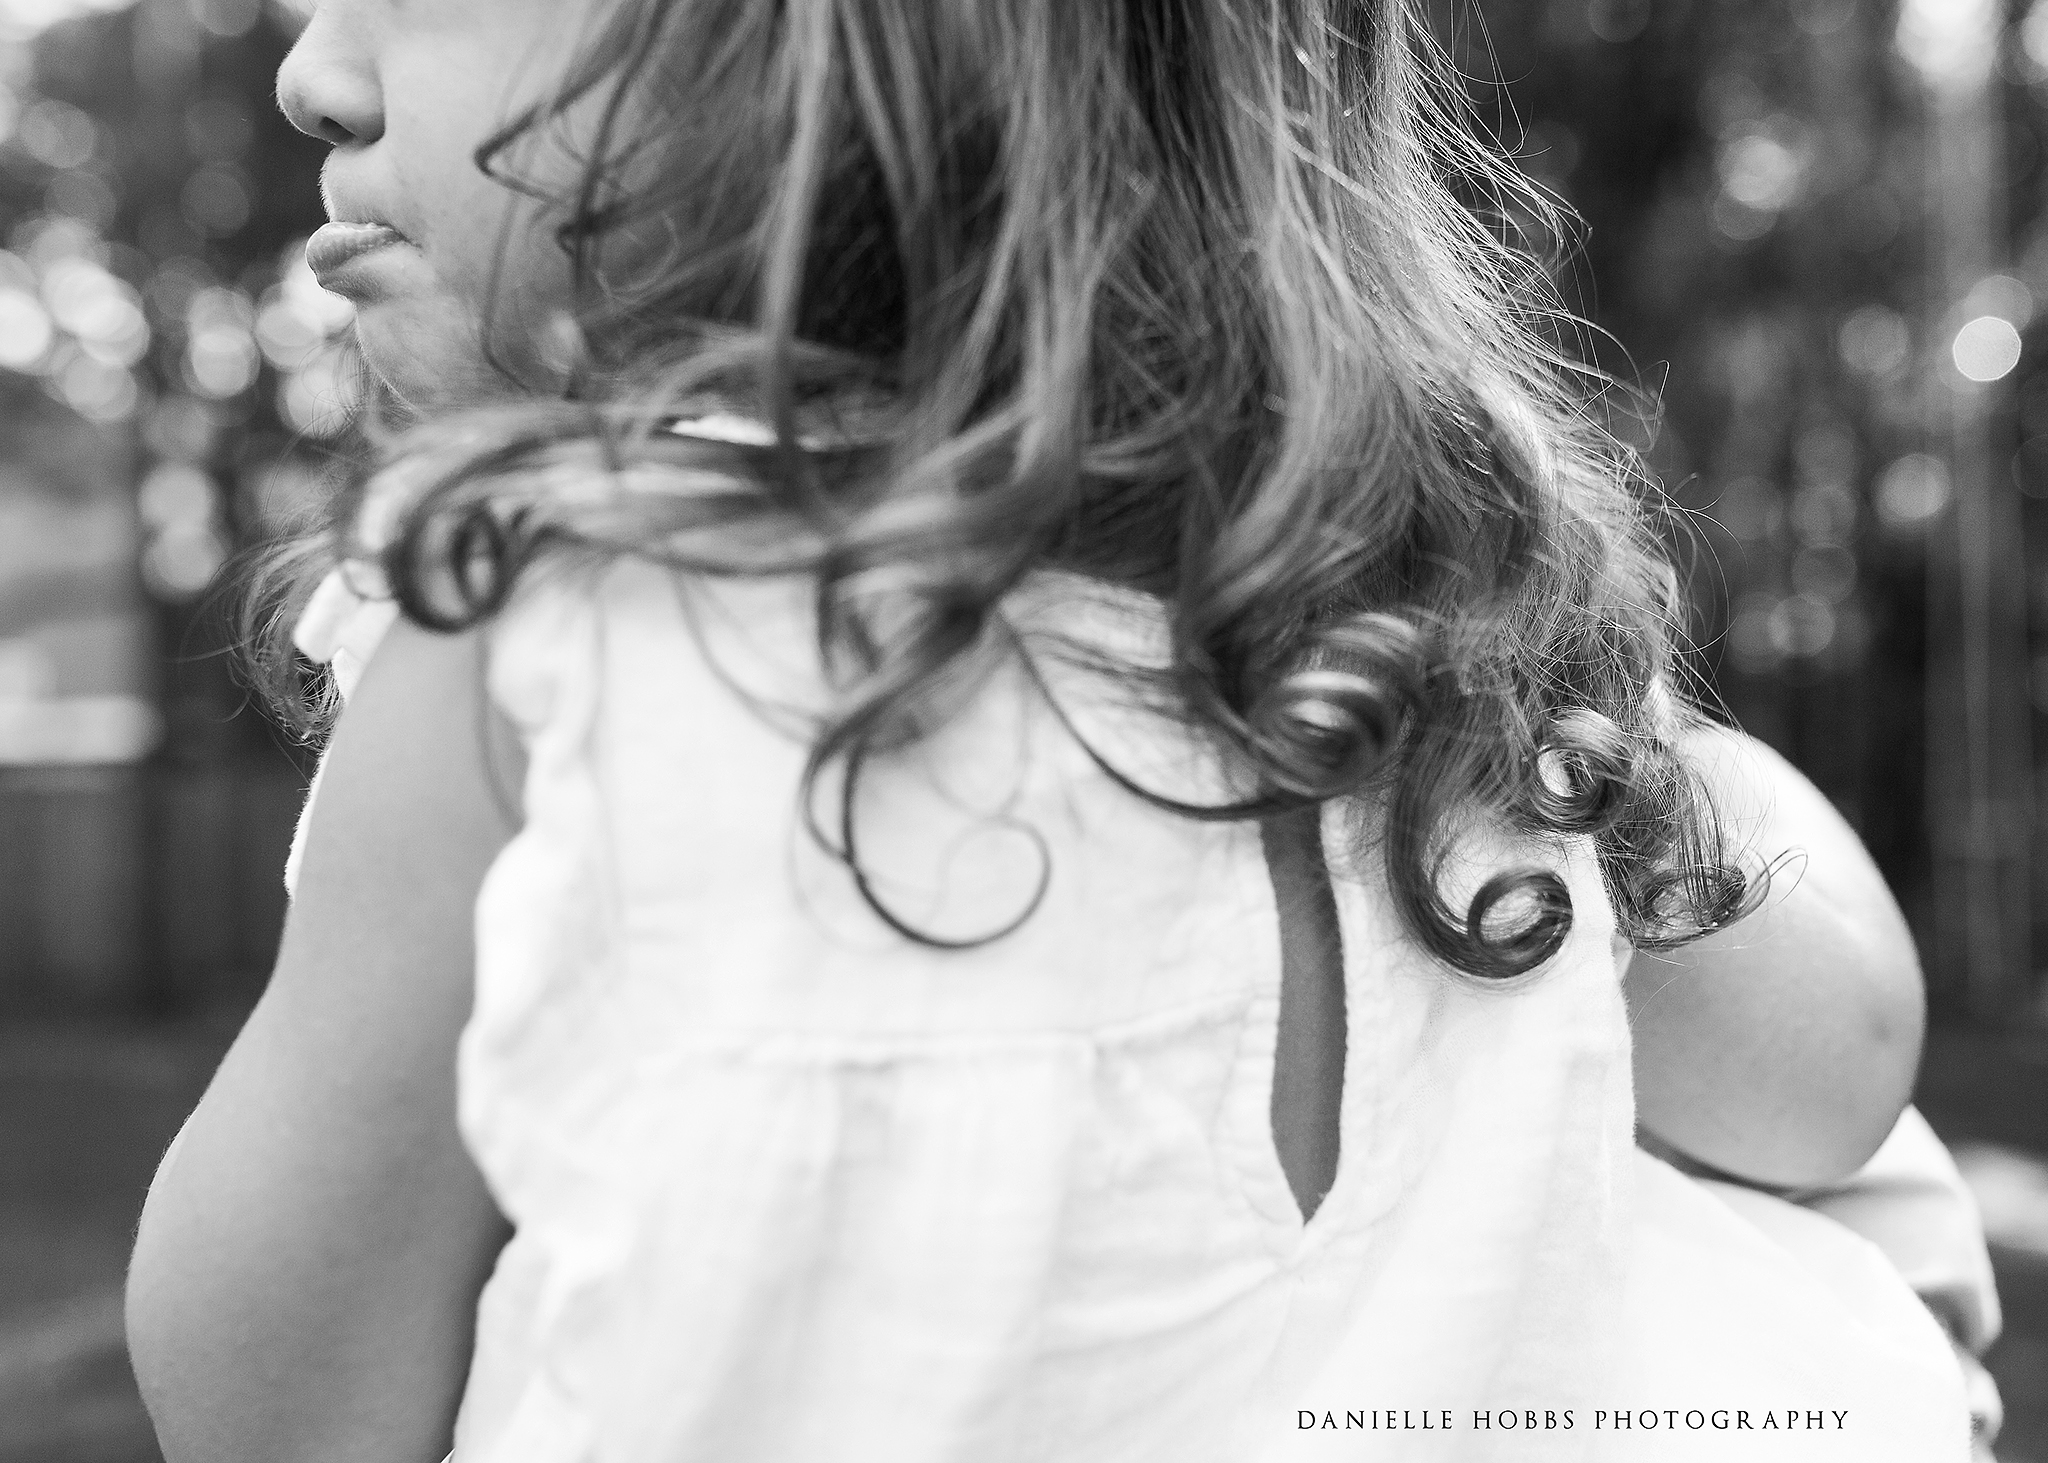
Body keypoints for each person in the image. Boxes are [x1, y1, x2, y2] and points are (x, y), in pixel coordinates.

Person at [124, 1, 1986, 1458]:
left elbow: (269, 1406)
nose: (312, 73)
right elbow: (1833, 1072)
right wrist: (1627, 749)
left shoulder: (550, 656)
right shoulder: (1433, 657)